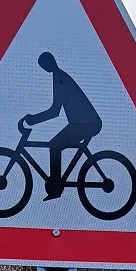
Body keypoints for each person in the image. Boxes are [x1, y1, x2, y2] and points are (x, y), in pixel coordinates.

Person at [22, 52, 102, 200]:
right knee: (55, 145)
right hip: (82, 123)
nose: (44, 68)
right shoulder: (59, 76)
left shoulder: (60, 78)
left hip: (86, 124)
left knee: (54, 145)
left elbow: (54, 111)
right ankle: (56, 186)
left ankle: (56, 189)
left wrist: (33, 119)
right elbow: (55, 110)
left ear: (50, 63)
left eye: (44, 65)